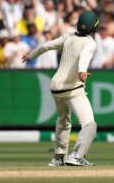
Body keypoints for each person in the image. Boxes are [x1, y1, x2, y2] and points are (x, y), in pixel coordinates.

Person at [22, 10, 100, 166]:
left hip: (56, 87)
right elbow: (84, 57)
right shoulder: (90, 43)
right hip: (72, 88)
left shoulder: (68, 37)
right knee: (89, 124)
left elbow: (45, 46)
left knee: (63, 121)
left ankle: (58, 157)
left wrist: (31, 55)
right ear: (94, 28)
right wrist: (82, 71)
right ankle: (76, 156)